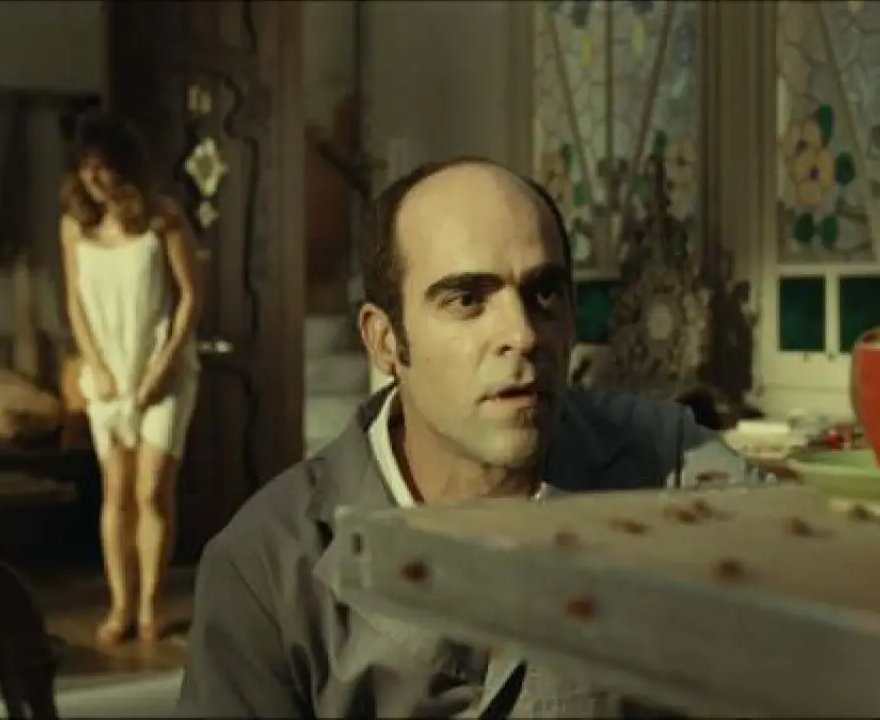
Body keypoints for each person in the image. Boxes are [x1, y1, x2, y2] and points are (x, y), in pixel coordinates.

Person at [176, 158, 752, 717]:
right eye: (467, 300)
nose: (522, 334)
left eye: (545, 294)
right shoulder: (267, 567)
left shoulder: (670, 468)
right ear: (385, 341)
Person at [59, 111, 201, 646]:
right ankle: (120, 605)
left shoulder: (163, 218)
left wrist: (162, 368)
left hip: (162, 369)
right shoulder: (74, 225)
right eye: (86, 166)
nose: (94, 177)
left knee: (152, 492)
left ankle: (150, 607)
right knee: (116, 491)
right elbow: (74, 301)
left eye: (103, 165)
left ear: (124, 166)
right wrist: (94, 364)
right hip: (108, 373)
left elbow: (190, 297)